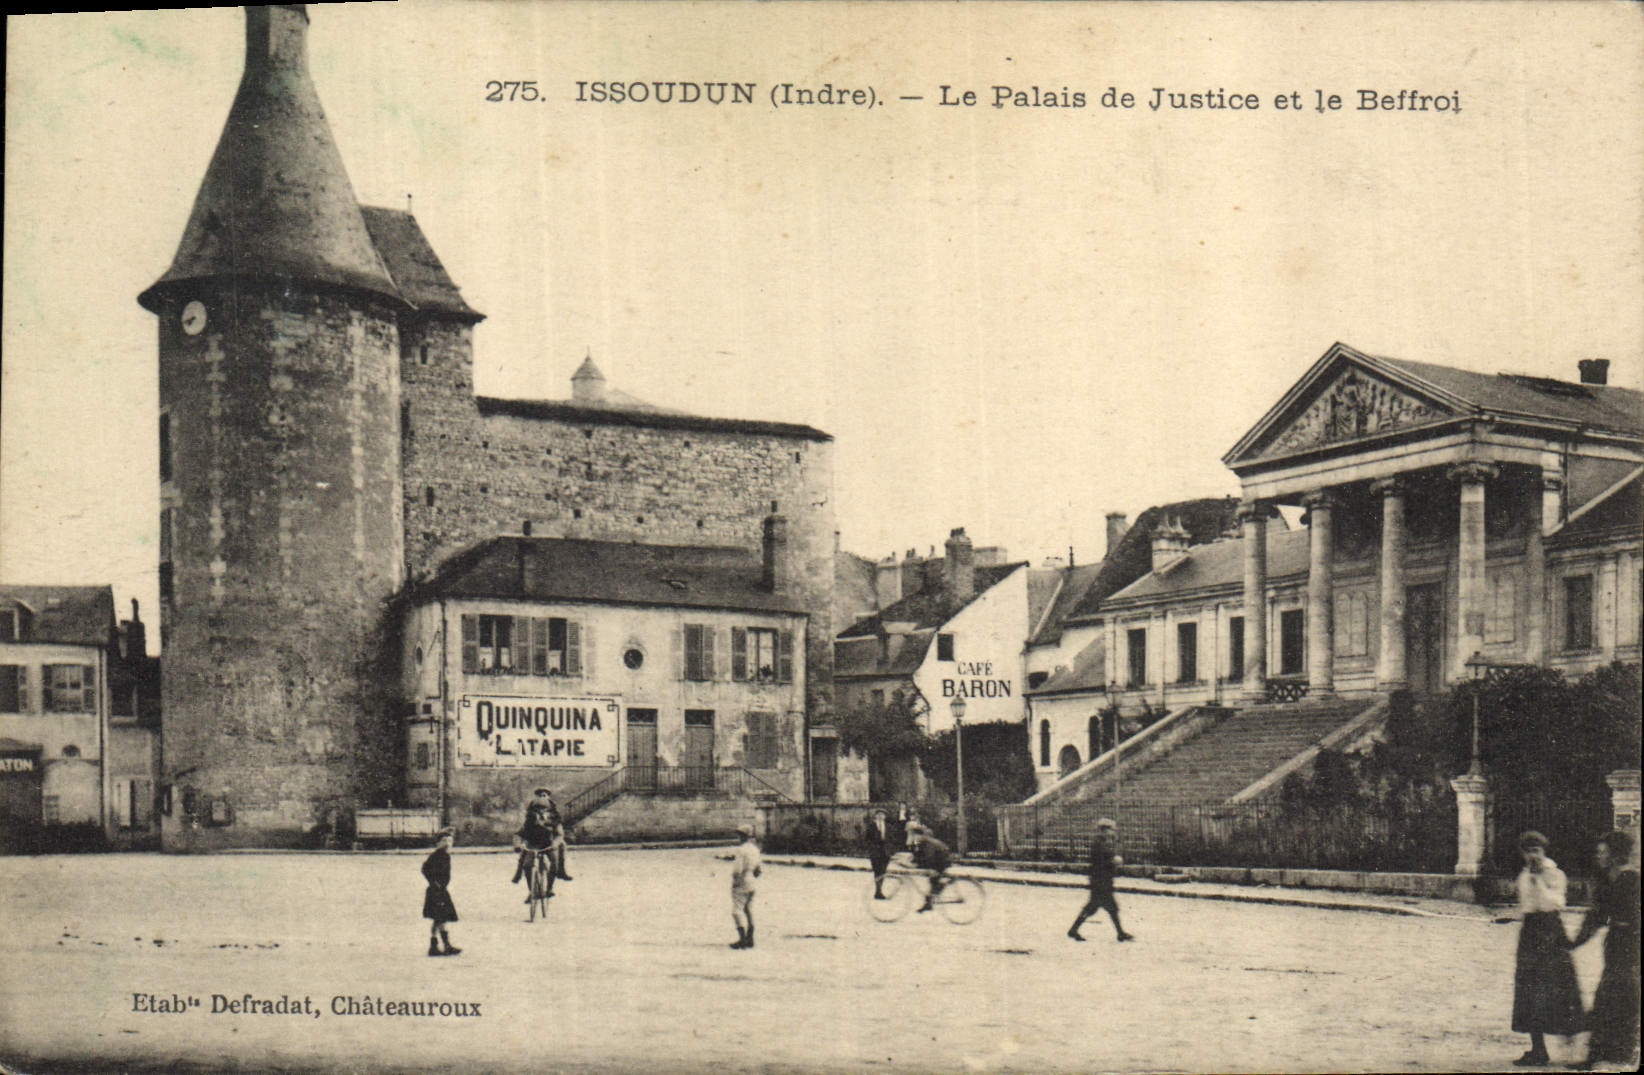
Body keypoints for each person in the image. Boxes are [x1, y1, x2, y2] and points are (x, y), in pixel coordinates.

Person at [1494, 830, 1583, 1067]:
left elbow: (1555, 903)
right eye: (1528, 851)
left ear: (1544, 852)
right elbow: (1527, 905)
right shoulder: (1524, 875)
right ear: (1522, 854)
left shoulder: (1555, 874)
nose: (1533, 856)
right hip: (1531, 933)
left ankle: (1571, 1044)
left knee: (1559, 986)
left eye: (1537, 851)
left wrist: (1538, 881)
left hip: (1551, 931)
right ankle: (1538, 1049)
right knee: (1529, 989)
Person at [1569, 829, 1639, 1071]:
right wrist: (1574, 942)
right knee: (1612, 994)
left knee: (1618, 995)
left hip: (1632, 945)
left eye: (1603, 852)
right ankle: (1607, 1052)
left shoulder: (1631, 880)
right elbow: (1596, 917)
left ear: (1615, 854)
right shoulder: (1607, 880)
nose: (1598, 856)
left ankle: (1615, 1053)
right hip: (1616, 944)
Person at [1068, 817, 1134, 942]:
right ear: (1104, 830)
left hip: (1102, 880)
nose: (1113, 832)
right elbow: (1101, 861)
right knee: (1103, 908)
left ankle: (1120, 933)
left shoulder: (1102, 842)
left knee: (1103, 908)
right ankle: (1120, 933)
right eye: (1111, 830)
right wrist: (1113, 861)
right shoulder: (1099, 843)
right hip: (1100, 881)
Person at [511, 787, 571, 901]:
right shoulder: (529, 821)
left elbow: (559, 834)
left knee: (554, 861)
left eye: (544, 809)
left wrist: (555, 843)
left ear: (549, 809)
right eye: (537, 809)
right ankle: (532, 891)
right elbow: (519, 834)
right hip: (533, 845)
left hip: (549, 844)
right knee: (527, 866)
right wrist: (517, 844)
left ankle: (549, 888)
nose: (541, 812)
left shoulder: (555, 819)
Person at [420, 827, 461, 957]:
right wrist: (434, 882)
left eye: (449, 840)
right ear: (438, 843)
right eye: (444, 840)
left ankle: (438, 946)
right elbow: (425, 868)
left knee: (440, 919)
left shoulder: (445, 855)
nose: (447, 843)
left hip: (441, 890)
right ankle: (438, 946)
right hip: (436, 891)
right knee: (440, 919)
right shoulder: (437, 855)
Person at [728, 822, 763, 949]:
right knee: (748, 910)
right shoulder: (755, 850)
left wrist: (735, 881)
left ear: (742, 836)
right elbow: (758, 870)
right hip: (752, 882)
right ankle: (750, 938)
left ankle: (742, 939)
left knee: (736, 911)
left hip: (742, 881)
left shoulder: (741, 850)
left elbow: (737, 870)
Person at [905, 821, 951, 913]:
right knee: (932, 881)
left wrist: (917, 865)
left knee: (934, 878)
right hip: (937, 858)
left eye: (912, 834)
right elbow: (918, 853)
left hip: (941, 860)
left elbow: (929, 856)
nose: (911, 836)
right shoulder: (921, 840)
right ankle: (928, 903)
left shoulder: (926, 841)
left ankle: (938, 890)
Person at [862, 808, 899, 900]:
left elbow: (892, 839)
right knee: (877, 871)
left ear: (885, 817)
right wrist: (871, 849)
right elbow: (867, 839)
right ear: (875, 816)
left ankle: (879, 891)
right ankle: (878, 891)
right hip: (875, 852)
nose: (880, 816)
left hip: (885, 852)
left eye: (882, 815)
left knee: (883, 871)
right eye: (878, 814)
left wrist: (892, 851)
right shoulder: (871, 826)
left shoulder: (889, 826)